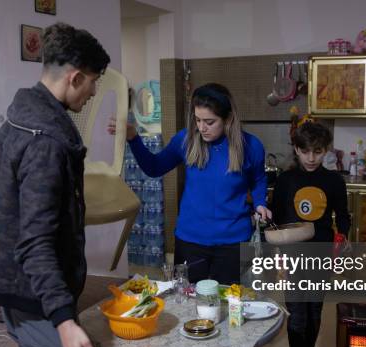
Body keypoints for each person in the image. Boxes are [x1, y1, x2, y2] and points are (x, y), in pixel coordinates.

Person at [0, 22, 110, 347]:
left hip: (22, 289)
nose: (93, 92)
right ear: (75, 78)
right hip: (36, 296)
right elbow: (35, 240)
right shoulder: (47, 142)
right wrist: (64, 318)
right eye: (93, 82)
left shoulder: (20, 117)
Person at [109, 83, 271, 284]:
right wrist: (133, 139)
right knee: (186, 302)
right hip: (190, 240)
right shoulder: (185, 140)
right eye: (198, 120)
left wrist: (260, 202)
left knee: (229, 305)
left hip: (234, 241)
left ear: (228, 119)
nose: (202, 128)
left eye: (209, 122)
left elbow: (258, 179)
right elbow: (154, 168)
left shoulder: (251, 146)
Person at [270, 122, 350, 347]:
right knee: (297, 313)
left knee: (314, 309)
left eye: (317, 151)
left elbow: (343, 215)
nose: (312, 158)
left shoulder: (334, 180)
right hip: (292, 254)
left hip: (321, 253)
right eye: (306, 152)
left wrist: (344, 236)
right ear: (296, 149)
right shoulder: (286, 180)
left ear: (325, 150)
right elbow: (278, 218)